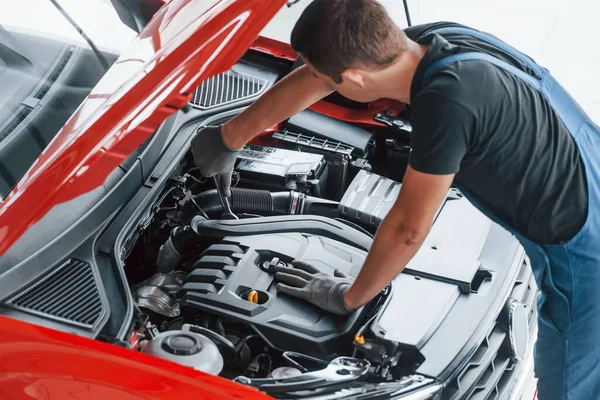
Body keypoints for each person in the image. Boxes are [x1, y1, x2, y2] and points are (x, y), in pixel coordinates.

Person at [190, 1, 600, 398]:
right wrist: (230, 136)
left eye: (321, 71)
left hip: (586, 261)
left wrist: (347, 296)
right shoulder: (432, 41)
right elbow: (319, 76)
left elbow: (407, 229)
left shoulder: (446, 103)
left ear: (354, 78)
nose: (314, 76)